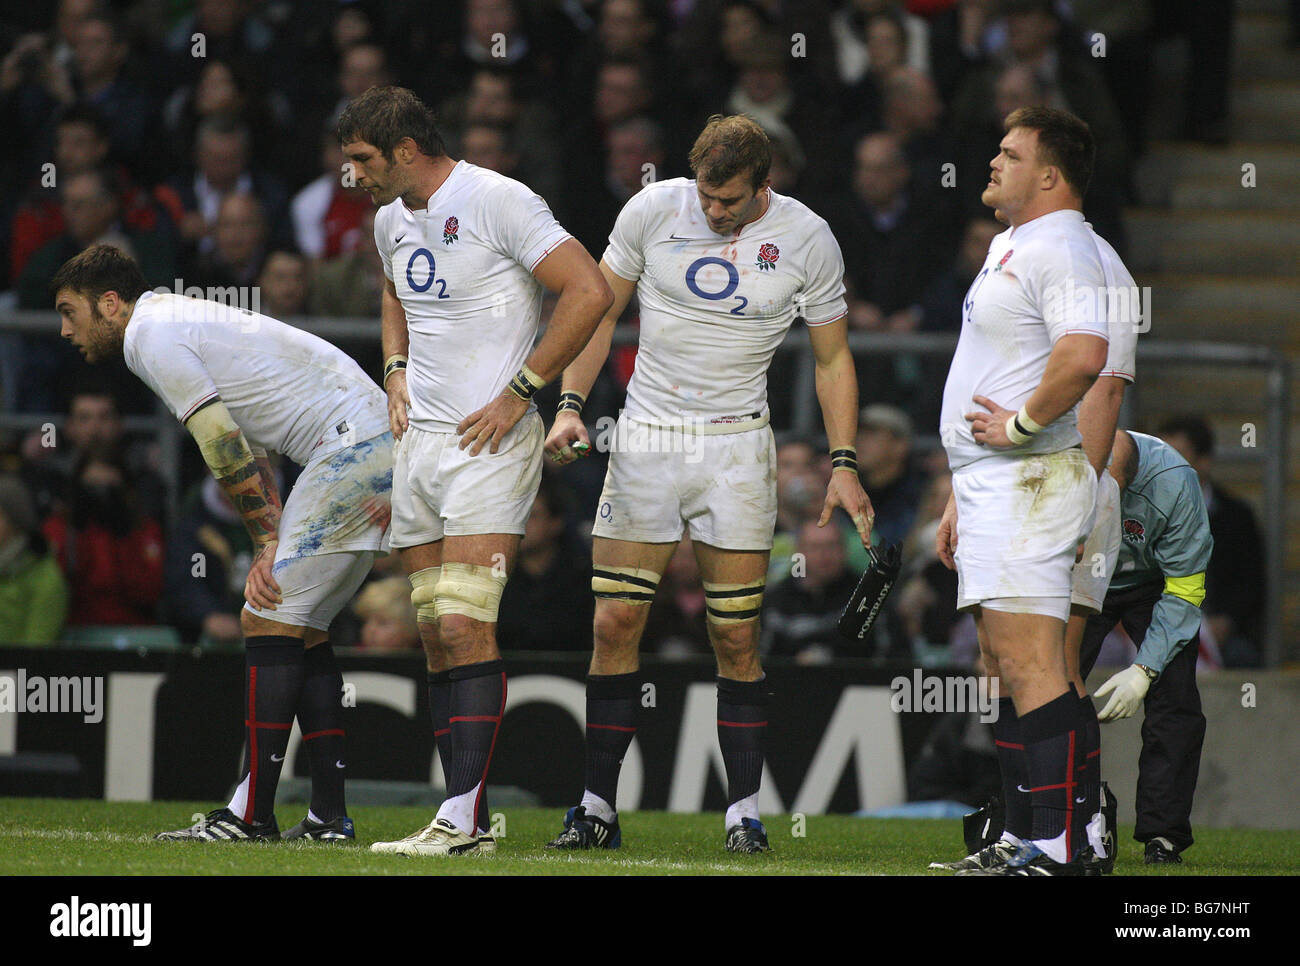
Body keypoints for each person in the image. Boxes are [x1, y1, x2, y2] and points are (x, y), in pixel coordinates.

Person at [544, 114, 874, 853]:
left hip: (735, 446)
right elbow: (597, 311)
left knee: (733, 632)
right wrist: (569, 406)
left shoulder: (808, 237)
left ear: (765, 185)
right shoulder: (653, 208)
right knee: (614, 624)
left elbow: (831, 359)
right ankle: (597, 806)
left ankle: (743, 813)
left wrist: (844, 461)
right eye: (705, 194)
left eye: (728, 200)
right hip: (648, 439)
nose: (712, 210)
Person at [338, 85, 612, 856]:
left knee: (464, 623)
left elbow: (589, 291)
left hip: (491, 442)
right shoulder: (390, 217)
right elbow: (394, 289)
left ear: (403, 152)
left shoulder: (499, 200)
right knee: (432, 632)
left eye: (361, 160)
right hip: (419, 441)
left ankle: (458, 820)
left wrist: (525, 390)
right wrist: (393, 366)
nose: (350, 176)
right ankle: (466, 816)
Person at [53, 243, 394, 844]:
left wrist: (266, 539)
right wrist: (273, 524)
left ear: (110, 304)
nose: (63, 330)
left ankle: (250, 816)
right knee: (302, 625)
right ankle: (327, 818)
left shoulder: (150, 336)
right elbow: (245, 433)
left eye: (68, 311)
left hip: (351, 447)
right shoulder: (175, 320)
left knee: (265, 615)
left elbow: (219, 441)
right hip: (358, 441)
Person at [938, 191, 1139, 874]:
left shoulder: (1086, 261)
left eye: (1013, 155)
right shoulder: (1022, 249)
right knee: (1003, 662)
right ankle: (1027, 832)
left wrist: (1078, 496)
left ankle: (1074, 834)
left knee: (1053, 663)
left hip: (1057, 485)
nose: (994, 166)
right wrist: (964, 493)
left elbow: (1102, 387)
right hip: (1012, 486)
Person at [1078, 430, 1212, 865]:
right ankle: (1059, 820)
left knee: (1175, 701)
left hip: (1155, 585)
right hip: (1077, 581)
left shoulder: (1175, 484)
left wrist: (1144, 670)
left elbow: (1186, 589)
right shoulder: (1066, 465)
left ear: (1133, 483)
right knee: (1048, 691)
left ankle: (1164, 836)